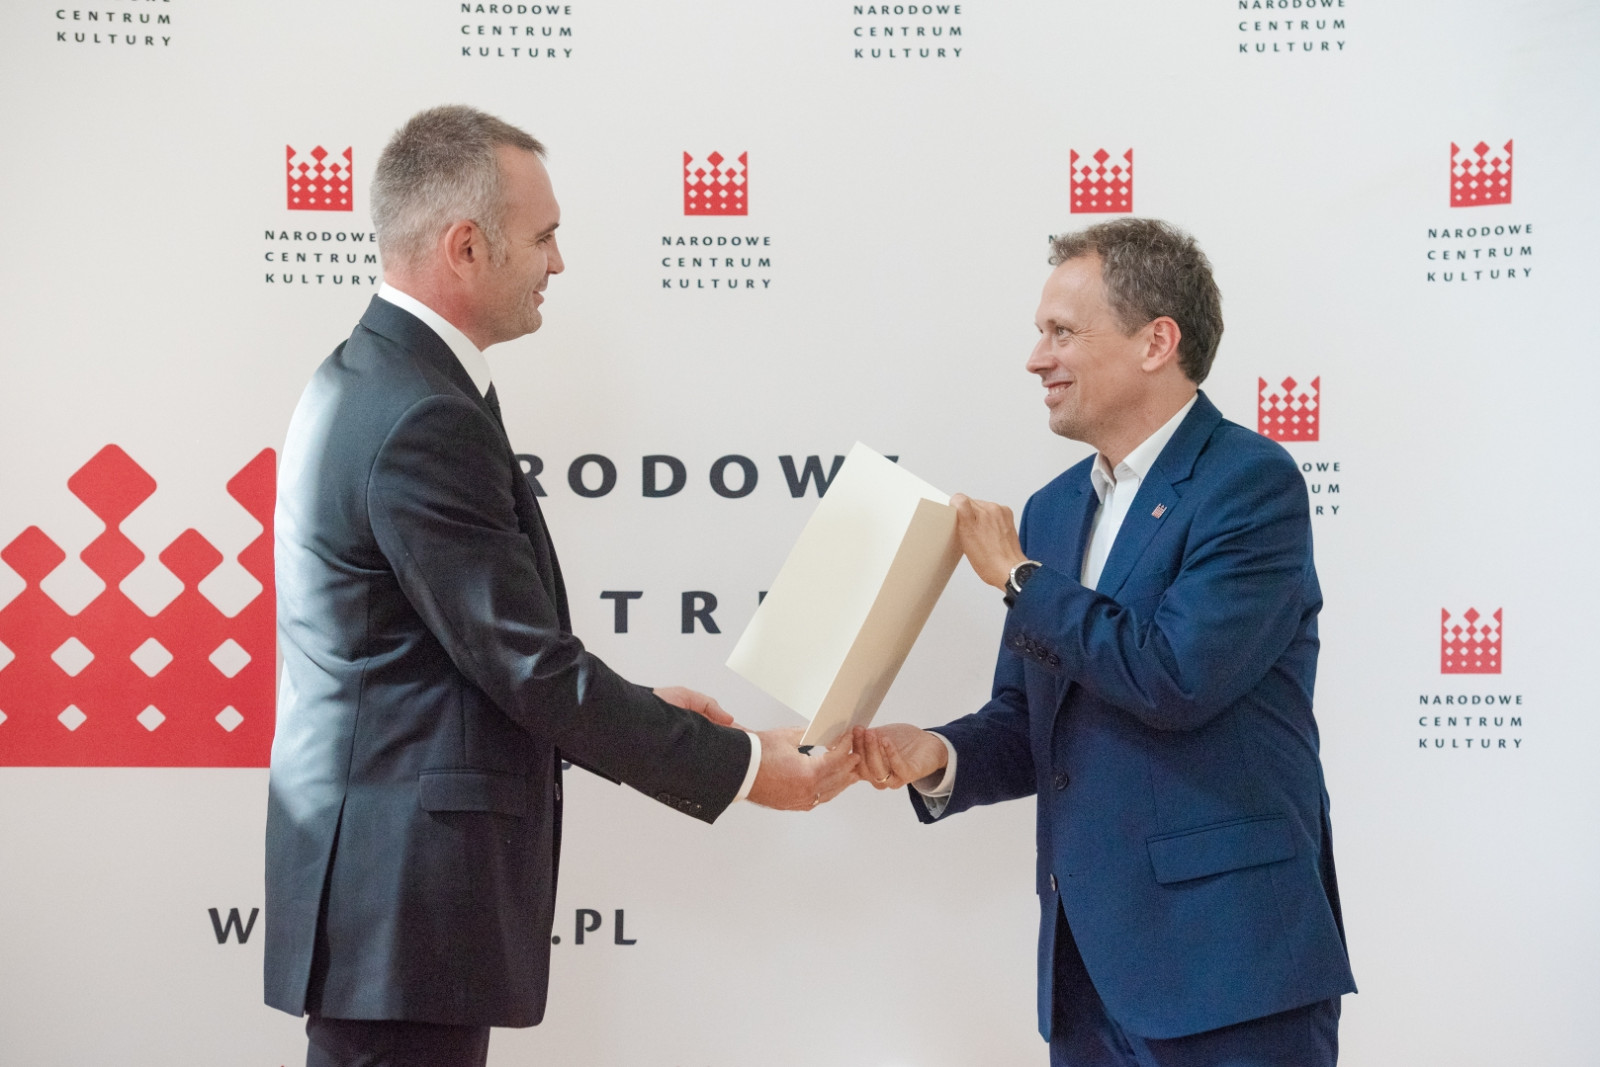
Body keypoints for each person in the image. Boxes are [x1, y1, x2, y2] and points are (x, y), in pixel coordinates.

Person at [263, 105, 858, 1067]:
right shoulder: (420, 413)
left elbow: (447, 662)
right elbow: (528, 667)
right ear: (466, 246)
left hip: (392, 913)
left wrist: (647, 710)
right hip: (402, 914)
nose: (559, 262)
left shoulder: (379, 378)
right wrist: (745, 766)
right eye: (543, 237)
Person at [856, 218, 1355, 1065]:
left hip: (1231, 967)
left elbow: (1174, 675)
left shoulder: (1250, 483)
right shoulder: (1053, 509)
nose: (1036, 359)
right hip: (1087, 976)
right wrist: (937, 754)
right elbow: (1030, 718)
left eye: (1062, 332)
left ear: (1157, 342)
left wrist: (1019, 578)